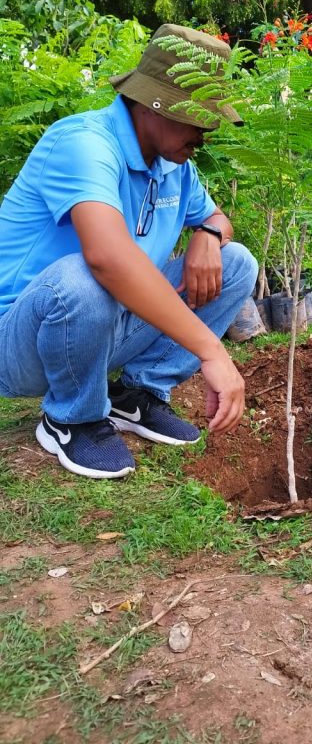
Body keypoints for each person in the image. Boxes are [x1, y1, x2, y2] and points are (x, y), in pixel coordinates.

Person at [0, 24, 259, 477]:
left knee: (236, 263)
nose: (207, 133)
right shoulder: (84, 143)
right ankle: (71, 418)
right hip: (20, 342)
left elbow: (218, 217)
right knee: (83, 277)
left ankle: (135, 394)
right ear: (154, 104)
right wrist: (212, 352)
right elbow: (108, 259)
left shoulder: (172, 163)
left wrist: (209, 235)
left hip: (102, 331)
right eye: (199, 119)